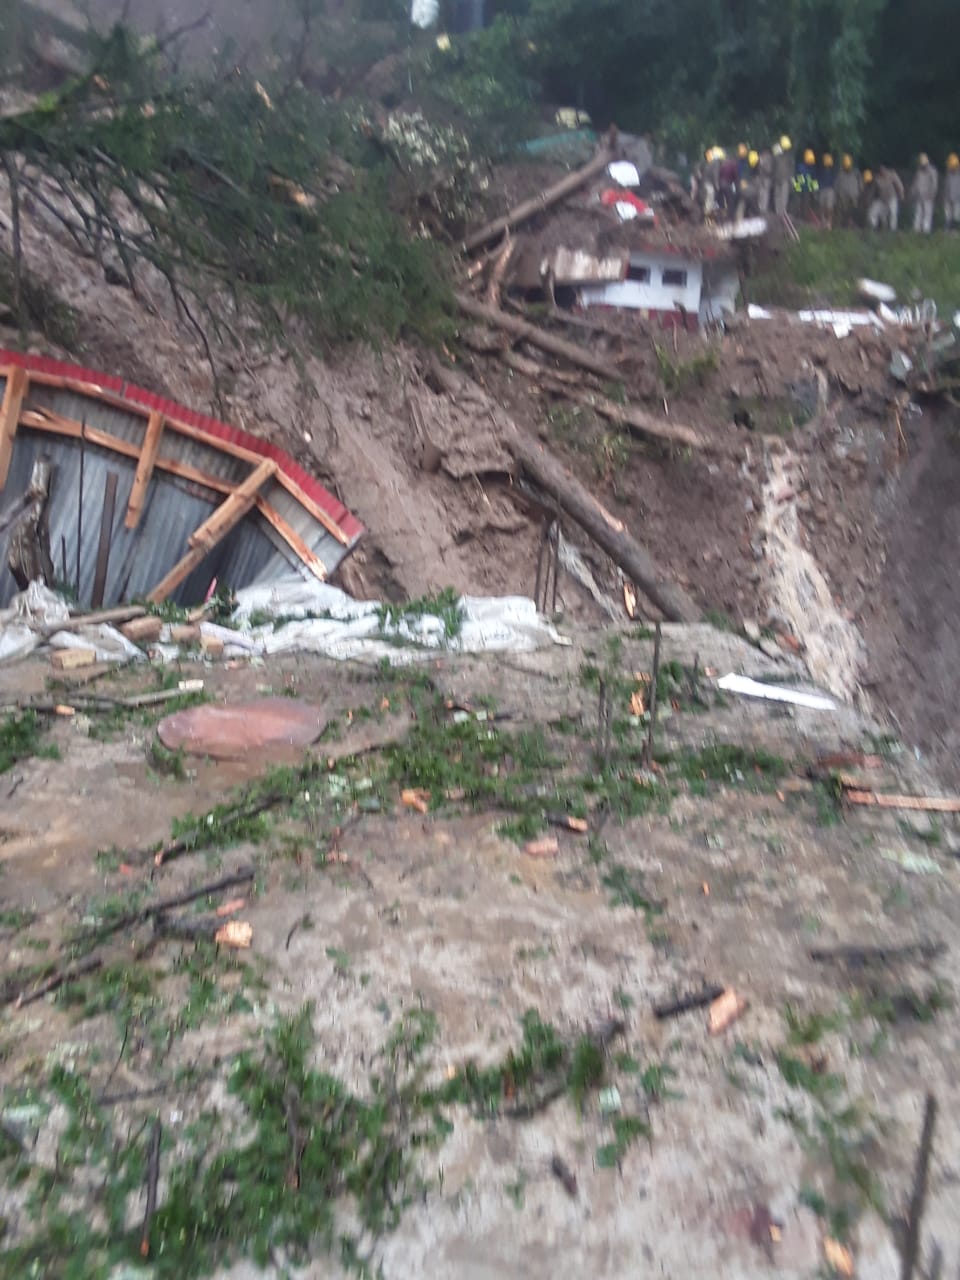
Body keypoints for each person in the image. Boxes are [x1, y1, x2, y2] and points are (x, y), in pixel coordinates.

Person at [869, 166, 904, 230]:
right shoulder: (877, 178)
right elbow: (873, 190)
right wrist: (870, 199)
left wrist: (901, 194)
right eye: (880, 171)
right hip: (882, 199)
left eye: (883, 170)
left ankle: (893, 229)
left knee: (893, 213)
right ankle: (874, 227)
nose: (882, 172)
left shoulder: (892, 175)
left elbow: (899, 185)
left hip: (892, 197)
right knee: (873, 212)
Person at [910, 153, 939, 233]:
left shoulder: (932, 171)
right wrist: (913, 192)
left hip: (928, 196)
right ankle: (916, 230)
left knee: (927, 214)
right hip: (919, 196)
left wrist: (932, 194)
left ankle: (926, 230)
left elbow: (934, 184)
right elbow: (916, 182)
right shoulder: (919, 171)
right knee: (918, 213)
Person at [835, 154, 861, 227]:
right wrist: (837, 195)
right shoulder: (840, 174)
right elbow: (837, 186)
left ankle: (852, 224)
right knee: (843, 211)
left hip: (854, 196)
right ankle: (843, 225)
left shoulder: (856, 173)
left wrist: (860, 193)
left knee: (853, 210)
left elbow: (860, 185)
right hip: (843, 197)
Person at [735, 150, 761, 223]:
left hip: (747, 189)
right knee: (746, 202)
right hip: (746, 190)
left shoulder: (754, 166)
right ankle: (740, 220)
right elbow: (743, 181)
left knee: (743, 203)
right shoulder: (746, 167)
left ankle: (740, 219)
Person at [773, 135, 795, 216]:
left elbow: (791, 168)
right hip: (777, 178)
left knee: (783, 196)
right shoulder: (777, 152)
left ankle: (783, 212)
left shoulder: (789, 156)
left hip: (785, 178)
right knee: (778, 195)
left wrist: (791, 178)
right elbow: (773, 165)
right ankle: (778, 212)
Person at [819, 153, 836, 227]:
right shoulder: (821, 170)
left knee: (829, 207)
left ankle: (829, 223)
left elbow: (835, 181)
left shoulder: (833, 171)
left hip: (830, 190)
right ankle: (823, 221)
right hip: (823, 189)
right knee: (822, 206)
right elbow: (818, 180)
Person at [944, 153, 960, 229]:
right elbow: (947, 186)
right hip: (948, 198)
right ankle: (948, 230)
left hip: (957, 198)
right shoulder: (948, 174)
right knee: (948, 215)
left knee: (956, 215)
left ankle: (955, 229)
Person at [757, 148, 774, 213]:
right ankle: (762, 208)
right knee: (763, 193)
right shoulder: (764, 158)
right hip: (764, 178)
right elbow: (767, 169)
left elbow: (768, 169)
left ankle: (763, 208)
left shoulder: (765, 158)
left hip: (765, 178)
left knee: (764, 193)